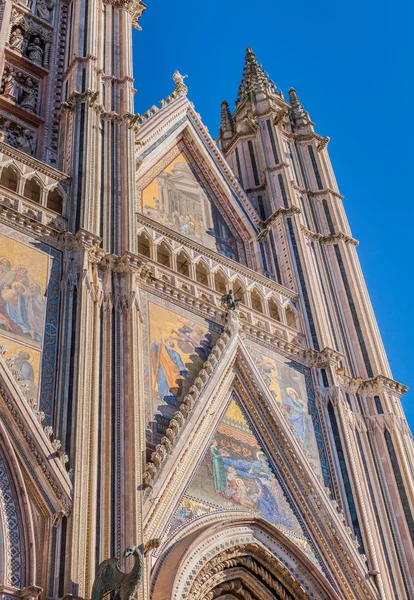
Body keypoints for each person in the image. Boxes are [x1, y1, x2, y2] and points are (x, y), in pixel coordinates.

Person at [152, 339, 188, 405]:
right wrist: (155, 343)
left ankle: (171, 398)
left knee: (174, 386)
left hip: (173, 373)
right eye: (167, 342)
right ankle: (164, 397)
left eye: (170, 343)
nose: (169, 343)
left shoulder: (175, 354)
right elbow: (153, 349)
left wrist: (184, 371)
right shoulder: (161, 350)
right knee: (162, 381)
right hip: (163, 370)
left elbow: (180, 364)